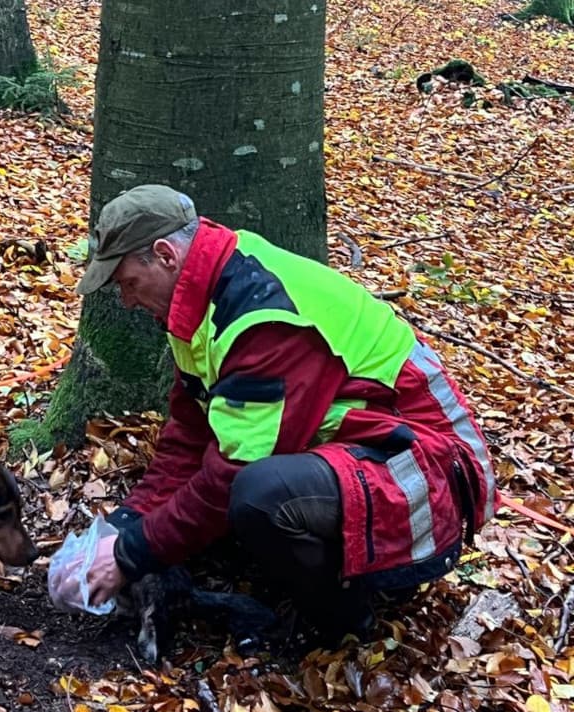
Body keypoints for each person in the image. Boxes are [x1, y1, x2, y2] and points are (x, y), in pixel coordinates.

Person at [76, 184, 498, 642]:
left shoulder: (263, 318)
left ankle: (343, 622)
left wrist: (130, 554)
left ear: (165, 255)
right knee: (246, 499)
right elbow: (190, 434)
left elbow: (231, 473)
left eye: (129, 283)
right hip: (372, 451)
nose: (127, 301)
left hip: (427, 467)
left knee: (259, 493)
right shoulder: (200, 296)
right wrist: (128, 522)